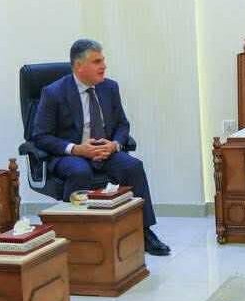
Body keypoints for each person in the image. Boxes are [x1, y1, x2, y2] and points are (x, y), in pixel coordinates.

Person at [31, 39, 170, 256]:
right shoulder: (54, 93)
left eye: (103, 60)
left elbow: (122, 124)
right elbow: (40, 136)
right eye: (97, 62)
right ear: (79, 66)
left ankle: (144, 231)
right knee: (80, 171)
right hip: (71, 155)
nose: (104, 66)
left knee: (133, 167)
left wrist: (114, 144)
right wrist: (76, 149)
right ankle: (76, 237)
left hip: (106, 151)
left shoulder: (109, 87)